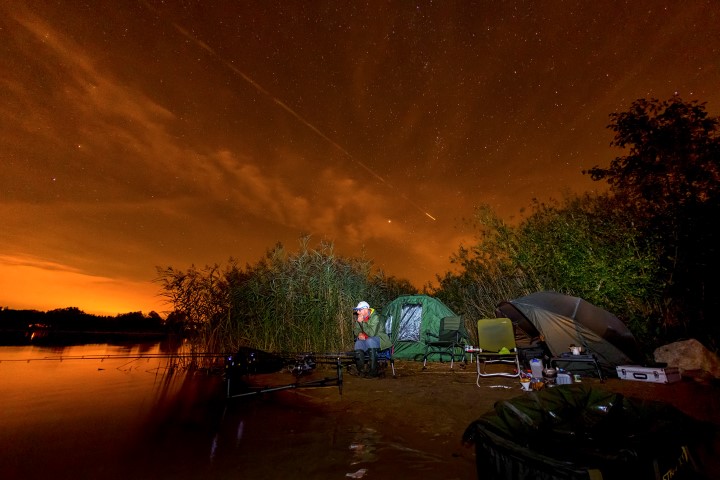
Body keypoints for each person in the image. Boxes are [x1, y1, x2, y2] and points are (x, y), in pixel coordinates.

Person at [352, 301, 391, 377]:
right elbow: (356, 330)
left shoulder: (375, 317)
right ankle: (361, 370)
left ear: (366, 309)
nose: (357, 312)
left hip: (380, 339)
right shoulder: (360, 317)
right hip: (367, 340)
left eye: (359, 310)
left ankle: (373, 370)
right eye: (357, 310)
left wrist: (362, 322)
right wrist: (359, 334)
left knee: (370, 340)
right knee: (358, 343)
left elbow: (372, 333)